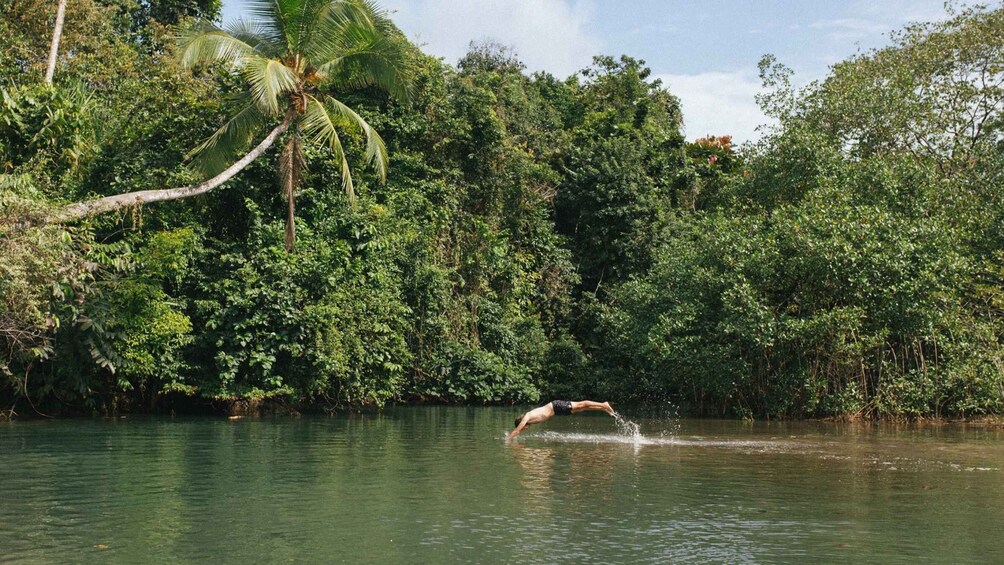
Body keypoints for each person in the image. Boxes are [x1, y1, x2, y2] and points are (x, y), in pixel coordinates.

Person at [508, 400, 614, 438]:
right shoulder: (529, 420)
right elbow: (519, 431)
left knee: (581, 404)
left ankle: (603, 404)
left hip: (556, 406)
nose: (525, 429)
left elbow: (517, 430)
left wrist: (508, 440)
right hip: (558, 411)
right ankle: (603, 408)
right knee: (582, 409)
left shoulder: (527, 416)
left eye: (523, 427)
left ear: (521, 423)